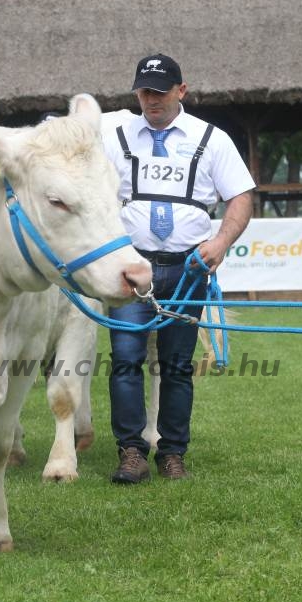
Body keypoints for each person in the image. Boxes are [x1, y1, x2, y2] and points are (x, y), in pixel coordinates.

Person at [103, 53, 255, 483]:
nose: (151, 99)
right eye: (144, 90)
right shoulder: (114, 138)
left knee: (177, 365)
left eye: (160, 90)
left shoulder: (212, 139)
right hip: (133, 268)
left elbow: (240, 195)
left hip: (188, 269)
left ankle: (172, 453)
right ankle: (131, 451)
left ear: (181, 90)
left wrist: (221, 242)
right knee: (126, 359)